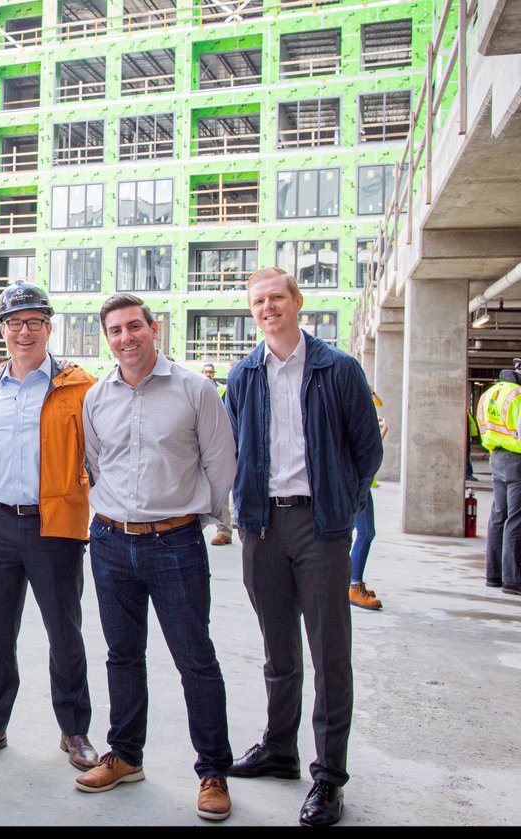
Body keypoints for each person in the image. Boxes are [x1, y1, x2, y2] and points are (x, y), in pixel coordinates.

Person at [226, 267, 383, 827]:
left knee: (330, 655)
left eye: (276, 297)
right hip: (262, 527)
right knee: (278, 653)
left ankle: (329, 777)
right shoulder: (243, 374)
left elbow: (368, 451)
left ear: (297, 301)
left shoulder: (338, 369)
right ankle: (278, 749)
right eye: (257, 301)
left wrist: (337, 504)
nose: (267, 307)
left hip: (320, 527)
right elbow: (235, 447)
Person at [74, 294, 236, 821]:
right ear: (108, 338)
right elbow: (98, 464)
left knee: (196, 659)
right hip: (112, 542)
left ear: (154, 328)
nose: (126, 338)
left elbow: (221, 462)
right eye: (116, 330)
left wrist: (192, 520)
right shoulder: (96, 398)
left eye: (134, 327)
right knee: (122, 656)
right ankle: (125, 756)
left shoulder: (195, 390)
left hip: (175, 545)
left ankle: (213, 770)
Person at [0, 281, 98, 771]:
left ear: (49, 327)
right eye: (15, 322)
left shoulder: (78, 387)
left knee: (65, 633)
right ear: (2, 329)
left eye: (34, 322)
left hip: (54, 526)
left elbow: (101, 457)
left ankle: (74, 731)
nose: (24, 331)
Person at [477, 367, 521, 595]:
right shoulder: (518, 396)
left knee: (498, 516)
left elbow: (482, 427)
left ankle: (493, 575)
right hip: (517, 460)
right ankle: (513, 580)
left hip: (496, 457)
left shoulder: (490, 394)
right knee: (516, 518)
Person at [349, 394, 389, 611]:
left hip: (355, 481)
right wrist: (382, 431)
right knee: (365, 532)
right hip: (356, 482)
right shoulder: (357, 410)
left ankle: (353, 580)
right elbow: (368, 448)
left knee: (362, 532)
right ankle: (353, 584)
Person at [202, 363, 234, 547]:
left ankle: (224, 529)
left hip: (221, 437)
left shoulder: (209, 389)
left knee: (221, 485)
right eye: (205, 372)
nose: (208, 374)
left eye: (210, 372)